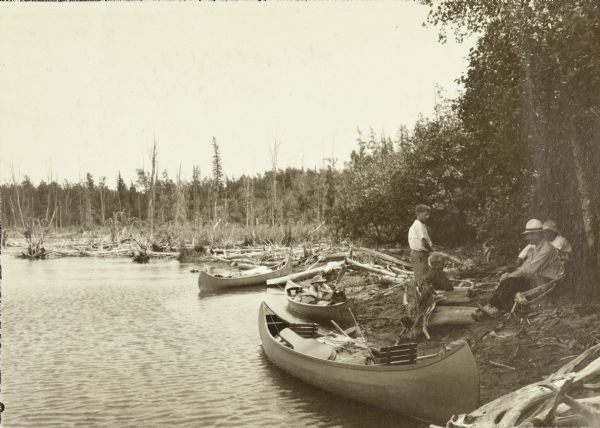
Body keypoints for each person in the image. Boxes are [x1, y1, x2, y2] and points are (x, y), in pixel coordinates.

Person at [486, 219, 560, 313]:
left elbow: (528, 270)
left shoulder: (546, 248)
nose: (528, 237)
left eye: (530, 235)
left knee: (510, 282)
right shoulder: (537, 248)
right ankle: (492, 306)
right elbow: (525, 266)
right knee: (509, 282)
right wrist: (510, 274)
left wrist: (509, 275)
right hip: (538, 277)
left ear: (537, 234)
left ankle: (504, 309)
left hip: (547, 280)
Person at [408, 204, 433, 285]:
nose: (428, 216)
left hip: (419, 254)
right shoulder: (418, 225)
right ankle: (422, 293)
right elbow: (424, 242)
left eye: (429, 215)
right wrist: (432, 251)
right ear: (419, 213)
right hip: (419, 254)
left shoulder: (421, 224)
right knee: (422, 276)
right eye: (426, 214)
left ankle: (423, 292)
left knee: (421, 275)